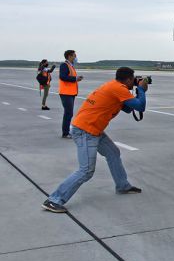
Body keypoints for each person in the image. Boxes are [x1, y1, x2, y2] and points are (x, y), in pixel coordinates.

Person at [42, 67, 148, 213]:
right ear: (129, 79)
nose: (135, 81)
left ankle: (123, 186)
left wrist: (137, 91)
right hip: (86, 131)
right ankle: (54, 200)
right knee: (86, 171)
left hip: (93, 129)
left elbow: (129, 108)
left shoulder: (114, 86)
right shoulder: (118, 88)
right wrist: (141, 90)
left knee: (113, 153)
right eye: (134, 79)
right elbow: (140, 107)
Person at [58, 50, 83, 138]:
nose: (75, 57)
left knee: (69, 113)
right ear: (69, 56)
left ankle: (66, 131)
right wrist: (75, 78)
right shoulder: (64, 65)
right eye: (74, 56)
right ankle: (65, 133)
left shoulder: (70, 66)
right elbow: (62, 77)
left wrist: (76, 78)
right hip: (66, 93)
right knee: (68, 113)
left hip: (70, 93)